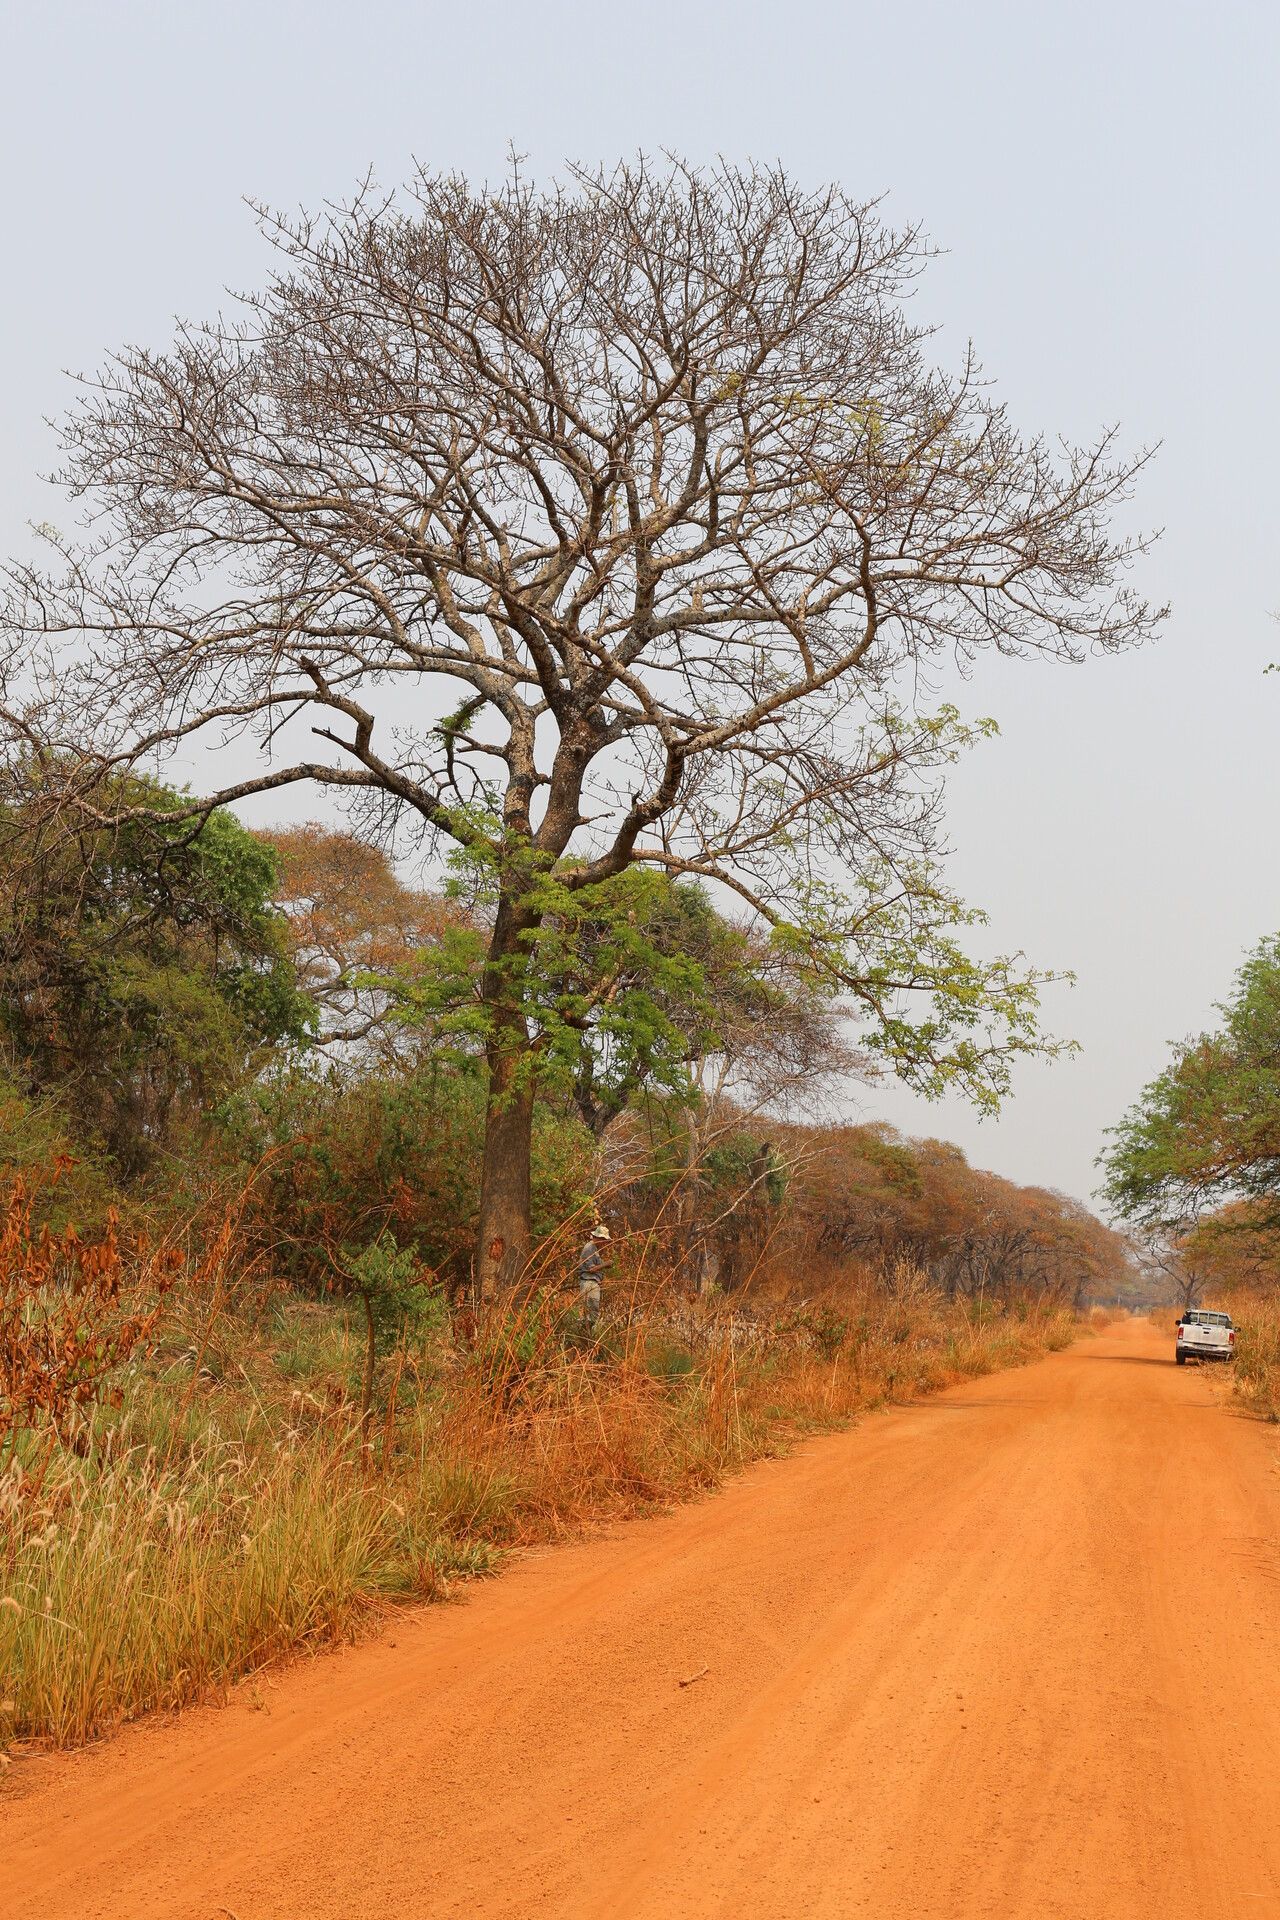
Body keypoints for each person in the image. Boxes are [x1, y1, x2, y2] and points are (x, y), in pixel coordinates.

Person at [577, 1223, 610, 1334]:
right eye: (604, 1239)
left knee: (592, 1313)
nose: (605, 1243)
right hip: (588, 1282)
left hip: (592, 1282)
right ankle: (582, 1334)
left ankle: (585, 1335)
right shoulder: (589, 1247)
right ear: (599, 1238)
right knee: (590, 1313)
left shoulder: (594, 1248)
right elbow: (591, 1269)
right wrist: (606, 1264)